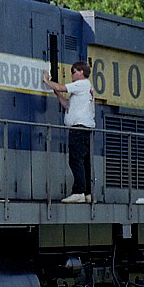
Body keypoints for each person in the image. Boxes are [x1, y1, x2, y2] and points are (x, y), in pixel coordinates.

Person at [42, 61, 95, 203]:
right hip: (86, 129)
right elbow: (67, 105)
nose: (71, 74)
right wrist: (57, 93)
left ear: (81, 73)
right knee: (85, 162)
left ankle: (79, 192)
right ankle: (88, 193)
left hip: (79, 129)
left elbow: (61, 87)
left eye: (73, 71)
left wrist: (47, 80)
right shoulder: (84, 89)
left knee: (75, 160)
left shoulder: (82, 84)